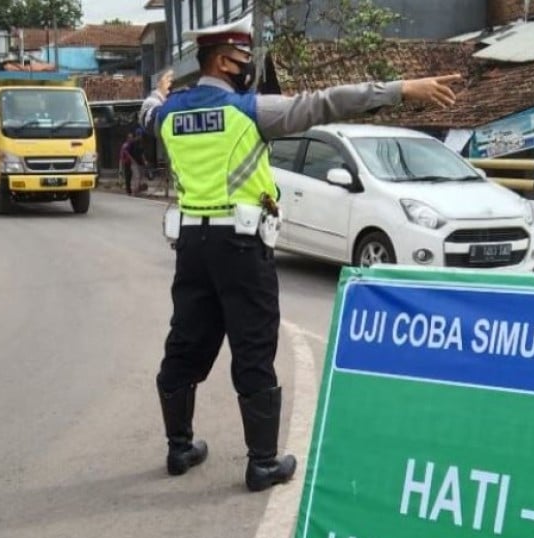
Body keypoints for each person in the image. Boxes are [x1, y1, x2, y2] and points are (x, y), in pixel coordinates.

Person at [140, 16, 460, 492]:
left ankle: (179, 448)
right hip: (240, 246)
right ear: (227, 62)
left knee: (186, 340)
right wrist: (400, 88)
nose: (249, 70)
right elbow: (326, 102)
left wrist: (157, 90)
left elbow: (145, 116)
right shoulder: (252, 111)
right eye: (245, 61)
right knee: (252, 345)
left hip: (191, 247)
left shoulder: (169, 115)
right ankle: (262, 462)